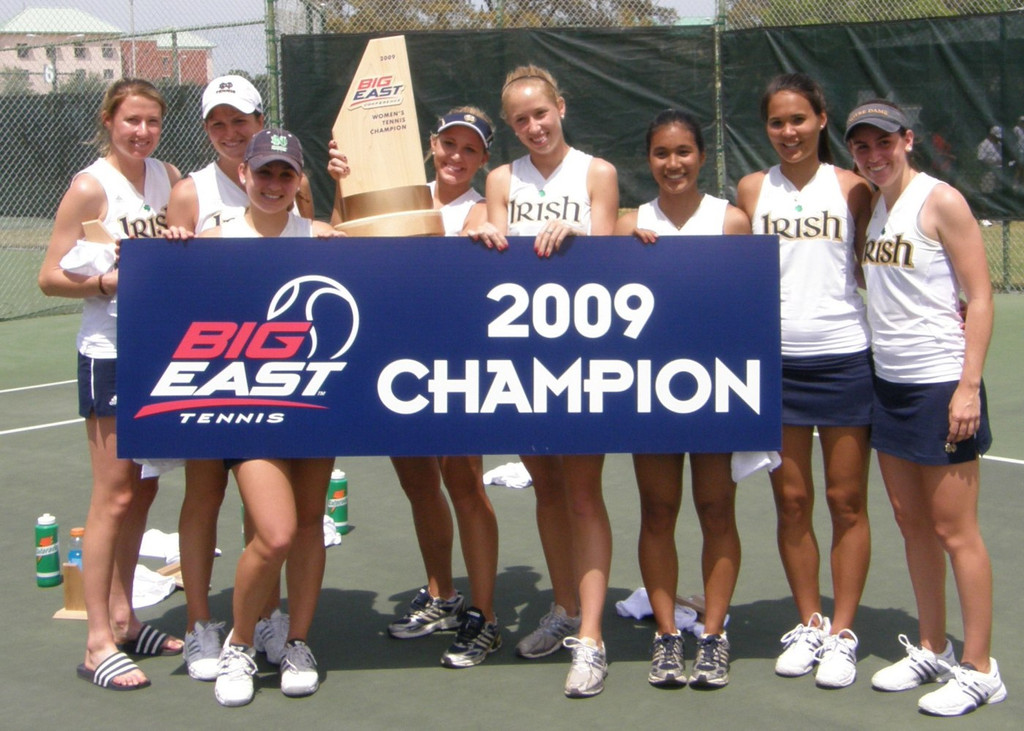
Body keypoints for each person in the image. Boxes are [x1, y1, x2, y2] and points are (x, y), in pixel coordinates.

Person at [846, 100, 1006, 716]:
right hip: (889, 386)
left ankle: (981, 668)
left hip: (942, 386)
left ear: (907, 140)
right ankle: (934, 648)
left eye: (883, 143)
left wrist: (968, 386)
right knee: (912, 525)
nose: (873, 155)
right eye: (862, 147)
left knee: (954, 531)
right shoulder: (873, 207)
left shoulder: (940, 201)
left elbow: (981, 296)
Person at [328, 109, 502, 668]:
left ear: (483, 160)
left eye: (469, 150)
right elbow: (340, 241)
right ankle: (442, 594)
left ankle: (485, 614)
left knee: (465, 484)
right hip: (392, 361)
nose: (456, 156)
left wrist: (486, 236)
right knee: (418, 484)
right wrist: (342, 186)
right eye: (448, 144)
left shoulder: (481, 206)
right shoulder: (397, 194)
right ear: (431, 145)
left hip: (456, 363)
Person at [469, 64, 619, 697]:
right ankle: (561, 607)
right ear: (510, 125)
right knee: (547, 489)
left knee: (584, 493)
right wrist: (481, 230)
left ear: (561, 106)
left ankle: (592, 636)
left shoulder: (597, 173)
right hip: (520, 359)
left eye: (542, 112)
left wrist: (582, 233)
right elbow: (490, 238)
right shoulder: (500, 178)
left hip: (582, 356)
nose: (534, 126)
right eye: (521, 119)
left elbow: (609, 258)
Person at [165, 74, 313, 682]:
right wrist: (169, 253)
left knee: (285, 524)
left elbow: (378, 264)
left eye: (285, 174)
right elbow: (172, 292)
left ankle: (279, 624)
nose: (273, 182)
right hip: (219, 394)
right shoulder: (200, 210)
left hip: (299, 401)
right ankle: (213, 628)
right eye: (217, 123)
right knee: (211, 501)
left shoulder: (313, 228)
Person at [38, 78, 183, 690]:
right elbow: (49, 276)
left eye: (151, 122)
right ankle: (98, 641)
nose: (142, 132)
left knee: (145, 491)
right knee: (115, 495)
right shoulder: (90, 185)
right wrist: (104, 285)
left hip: (158, 349)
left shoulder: (169, 177)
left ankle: (125, 618)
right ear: (109, 121)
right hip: (110, 352)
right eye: (132, 122)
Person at [736, 73, 873, 689]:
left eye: (798, 119)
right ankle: (810, 622)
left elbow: (878, 270)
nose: (787, 132)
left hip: (844, 360)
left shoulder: (854, 190)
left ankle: (842, 633)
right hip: (776, 368)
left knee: (846, 502)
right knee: (791, 502)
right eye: (776, 122)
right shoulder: (748, 190)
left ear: (822, 118)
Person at [198, 128, 340, 707]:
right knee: (275, 531)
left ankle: (298, 640)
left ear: (299, 181)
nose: (274, 184)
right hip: (246, 408)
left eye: (285, 174)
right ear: (243, 175)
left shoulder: (323, 237)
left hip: (316, 402)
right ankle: (239, 641)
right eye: (264, 172)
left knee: (309, 525)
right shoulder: (212, 238)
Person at [617, 110, 750, 689]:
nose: (673, 164)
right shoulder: (628, 222)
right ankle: (668, 636)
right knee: (657, 510)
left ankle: (714, 634)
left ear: (702, 156)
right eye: (662, 154)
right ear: (648, 160)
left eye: (684, 153)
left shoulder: (731, 221)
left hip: (716, 389)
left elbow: (746, 310)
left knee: (717, 509)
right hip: (649, 392)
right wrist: (624, 248)